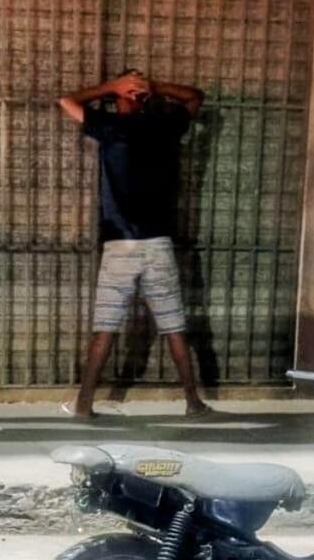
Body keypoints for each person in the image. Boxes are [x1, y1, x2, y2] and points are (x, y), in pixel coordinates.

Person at [59, 69, 212, 418]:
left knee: (105, 329)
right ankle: (193, 402)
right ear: (145, 98)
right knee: (174, 327)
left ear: (118, 100)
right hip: (159, 245)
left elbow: (65, 101)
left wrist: (110, 87)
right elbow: (195, 96)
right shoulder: (165, 126)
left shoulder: (109, 126)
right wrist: (155, 86)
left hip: (119, 247)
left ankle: (84, 404)